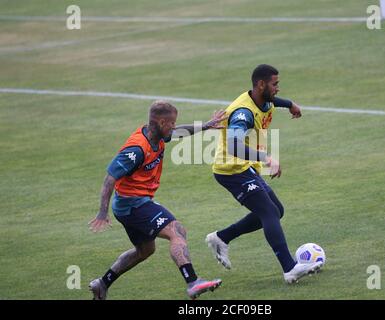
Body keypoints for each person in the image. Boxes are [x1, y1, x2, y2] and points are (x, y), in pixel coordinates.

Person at [88, 101, 226, 300]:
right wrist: (102, 212)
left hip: (133, 204)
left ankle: (102, 283)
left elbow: (179, 132)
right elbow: (109, 179)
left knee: (145, 250)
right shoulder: (136, 149)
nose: (173, 127)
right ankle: (193, 282)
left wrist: (206, 125)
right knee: (176, 231)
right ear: (161, 122)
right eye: (171, 123)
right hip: (133, 204)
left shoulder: (158, 134)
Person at [205, 64, 322, 284]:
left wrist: (290, 104)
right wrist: (266, 157)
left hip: (244, 167)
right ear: (261, 84)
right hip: (231, 170)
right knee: (268, 211)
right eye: (274, 84)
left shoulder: (261, 98)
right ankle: (290, 268)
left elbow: (271, 101)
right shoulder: (243, 114)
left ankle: (222, 237)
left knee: (276, 210)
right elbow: (233, 146)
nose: (278, 88)